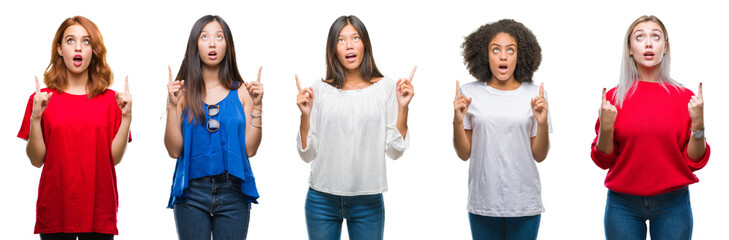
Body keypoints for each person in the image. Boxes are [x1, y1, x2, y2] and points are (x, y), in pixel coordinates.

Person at [295, 15, 415, 240]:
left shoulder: (387, 88)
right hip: (321, 200)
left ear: (365, 44)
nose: (349, 45)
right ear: (333, 49)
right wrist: (305, 115)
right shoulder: (318, 90)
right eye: (341, 40)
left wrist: (403, 108)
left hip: (368, 201)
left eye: (355, 38)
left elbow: (395, 151)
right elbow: (307, 153)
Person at [590, 15, 710, 240]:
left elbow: (695, 161)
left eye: (655, 37)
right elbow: (603, 160)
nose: (648, 43)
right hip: (622, 205)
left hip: (673, 204)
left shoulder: (685, 98)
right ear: (629, 49)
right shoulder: (615, 98)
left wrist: (699, 123)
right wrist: (606, 129)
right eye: (640, 37)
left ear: (665, 48)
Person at [17, 16, 132, 240]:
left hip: (99, 213)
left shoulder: (112, 100)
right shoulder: (40, 99)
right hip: (55, 213)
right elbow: (36, 160)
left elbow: (114, 159)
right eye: (70, 41)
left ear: (93, 51)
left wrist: (127, 118)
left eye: (86, 41)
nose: (78, 47)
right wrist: (35, 118)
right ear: (60, 49)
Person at [164, 15, 263, 240]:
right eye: (205, 37)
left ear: (227, 45)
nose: (212, 43)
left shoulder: (243, 92)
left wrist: (257, 105)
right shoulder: (182, 92)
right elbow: (173, 151)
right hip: (192, 192)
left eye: (219, 37)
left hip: (233, 190)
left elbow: (250, 150)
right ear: (195, 45)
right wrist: (171, 105)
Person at [453, 19, 550, 240]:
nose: (503, 56)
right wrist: (458, 121)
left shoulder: (535, 95)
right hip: (483, 202)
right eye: (495, 50)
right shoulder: (469, 94)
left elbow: (540, 155)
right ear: (485, 55)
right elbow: (463, 153)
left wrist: (542, 123)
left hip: (524, 202)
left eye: (510, 50)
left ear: (521, 55)